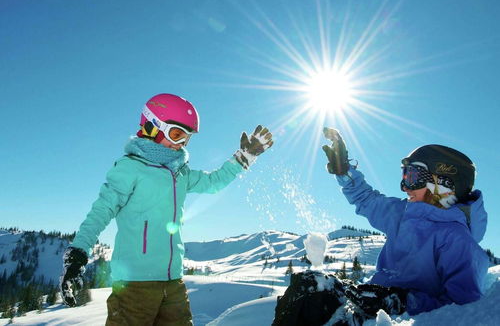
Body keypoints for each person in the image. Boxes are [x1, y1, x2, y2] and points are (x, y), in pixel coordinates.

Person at [59, 93, 273, 325]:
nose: (181, 144)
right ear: (152, 127)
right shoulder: (131, 168)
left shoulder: (180, 173)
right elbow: (100, 212)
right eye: (176, 134)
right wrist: (78, 254)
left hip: (173, 285)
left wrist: (243, 158)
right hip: (134, 286)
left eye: (187, 139)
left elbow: (214, 182)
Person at [273, 128, 488, 326]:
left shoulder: (457, 239)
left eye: (412, 177)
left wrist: (401, 301)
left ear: (444, 184)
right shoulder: (403, 213)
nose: (404, 186)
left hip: (398, 317)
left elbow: (463, 304)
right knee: (309, 287)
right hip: (369, 303)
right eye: (405, 175)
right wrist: (344, 171)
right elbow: (366, 199)